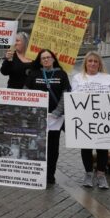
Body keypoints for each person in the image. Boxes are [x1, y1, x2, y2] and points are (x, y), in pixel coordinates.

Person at [70, 52, 110, 189]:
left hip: (103, 118)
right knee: (86, 147)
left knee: (102, 147)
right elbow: (73, 97)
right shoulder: (78, 78)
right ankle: (88, 173)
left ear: (99, 64)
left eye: (95, 61)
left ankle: (101, 175)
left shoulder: (107, 78)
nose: (92, 64)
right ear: (85, 63)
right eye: (90, 61)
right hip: (84, 118)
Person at [24, 49, 71, 185]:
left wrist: (58, 111)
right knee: (37, 146)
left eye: (48, 57)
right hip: (37, 117)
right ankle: (38, 173)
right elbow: (26, 93)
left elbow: (66, 94)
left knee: (52, 147)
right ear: (40, 60)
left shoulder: (61, 74)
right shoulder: (34, 74)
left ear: (53, 59)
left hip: (55, 119)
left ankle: (50, 175)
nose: (45, 60)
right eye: (43, 58)